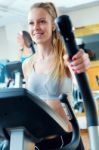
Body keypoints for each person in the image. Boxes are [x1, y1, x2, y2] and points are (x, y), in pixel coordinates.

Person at [22, 2, 90, 150]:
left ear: (53, 25)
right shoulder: (27, 64)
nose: (36, 27)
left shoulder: (65, 56)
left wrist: (81, 61)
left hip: (67, 139)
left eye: (42, 21)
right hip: (39, 141)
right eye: (31, 23)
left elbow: (78, 71)